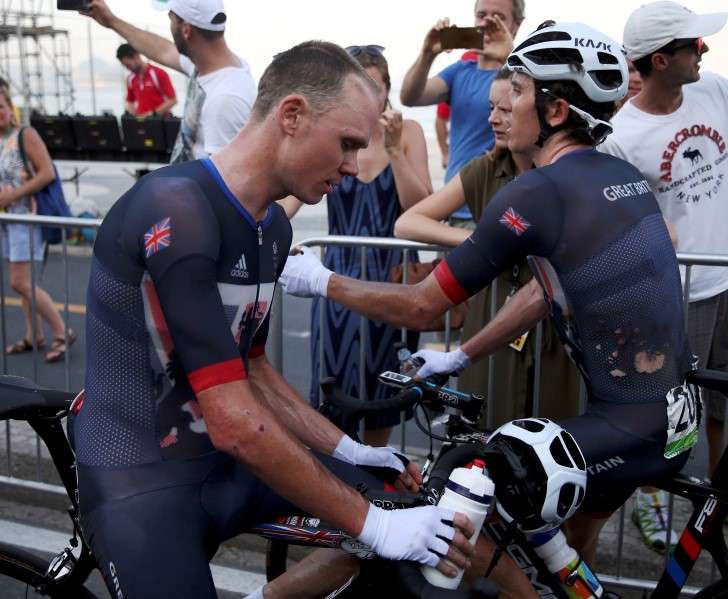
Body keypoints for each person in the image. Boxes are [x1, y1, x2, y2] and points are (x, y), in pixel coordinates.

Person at [71, 41, 492, 599]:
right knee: (381, 525)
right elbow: (234, 419)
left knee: (404, 506)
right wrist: (379, 524)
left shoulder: (274, 228)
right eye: (346, 143)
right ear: (291, 115)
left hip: (227, 464)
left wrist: (353, 452)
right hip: (142, 479)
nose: (351, 165)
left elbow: (256, 370)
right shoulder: (176, 208)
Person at [281, 21, 697, 564]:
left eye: (518, 91)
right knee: (565, 558)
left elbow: (425, 303)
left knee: (456, 515)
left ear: (554, 112)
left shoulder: (540, 190)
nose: (498, 109)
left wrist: (318, 280)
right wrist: (461, 353)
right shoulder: (619, 176)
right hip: (670, 417)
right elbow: (545, 294)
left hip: (626, 426)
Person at [600, 0, 728, 545]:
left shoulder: (713, 90)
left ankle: (722, 492)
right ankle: (655, 499)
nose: (705, 51)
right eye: (695, 45)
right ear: (661, 61)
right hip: (673, 299)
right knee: (667, 411)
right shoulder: (621, 137)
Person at [394, 68, 581, 425]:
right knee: (485, 429)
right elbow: (408, 222)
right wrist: (484, 241)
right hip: (492, 322)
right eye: (491, 108)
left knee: (556, 431)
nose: (494, 119)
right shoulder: (486, 170)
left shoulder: (575, 172)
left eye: (507, 109)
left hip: (555, 330)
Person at [278, 45, 432, 447]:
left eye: (376, 86)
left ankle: (378, 479)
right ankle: (339, 475)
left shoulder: (410, 131)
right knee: (335, 381)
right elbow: (291, 198)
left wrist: (396, 150)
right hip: (337, 278)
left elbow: (421, 207)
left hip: (392, 278)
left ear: (387, 90)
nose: (368, 95)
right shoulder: (335, 135)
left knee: (384, 387)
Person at [401, 0, 524, 226]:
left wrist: (509, 56)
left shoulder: (518, 78)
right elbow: (410, 97)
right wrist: (427, 54)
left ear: (516, 24)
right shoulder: (460, 72)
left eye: (498, 17)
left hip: (499, 209)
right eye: (481, 15)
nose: (486, 22)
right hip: (454, 205)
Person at [84, 0, 255, 162]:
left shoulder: (225, 99)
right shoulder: (205, 66)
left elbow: (227, 185)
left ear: (186, 29)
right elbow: (162, 50)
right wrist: (111, 21)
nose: (171, 27)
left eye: (171, 19)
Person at [0, 86, 75, 363]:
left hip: (26, 218)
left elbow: (46, 173)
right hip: (8, 220)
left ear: (10, 107)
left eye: (1, 106)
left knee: (20, 283)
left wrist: (13, 195)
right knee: (25, 283)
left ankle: (61, 331)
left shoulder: (24, 135)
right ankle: (35, 335)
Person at [116, 43, 177, 117]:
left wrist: (151, 114)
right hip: (141, 123)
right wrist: (132, 116)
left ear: (136, 56)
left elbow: (173, 100)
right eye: (125, 66)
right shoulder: (130, 79)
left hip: (159, 122)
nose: (127, 68)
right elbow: (130, 101)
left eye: (128, 65)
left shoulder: (158, 73)